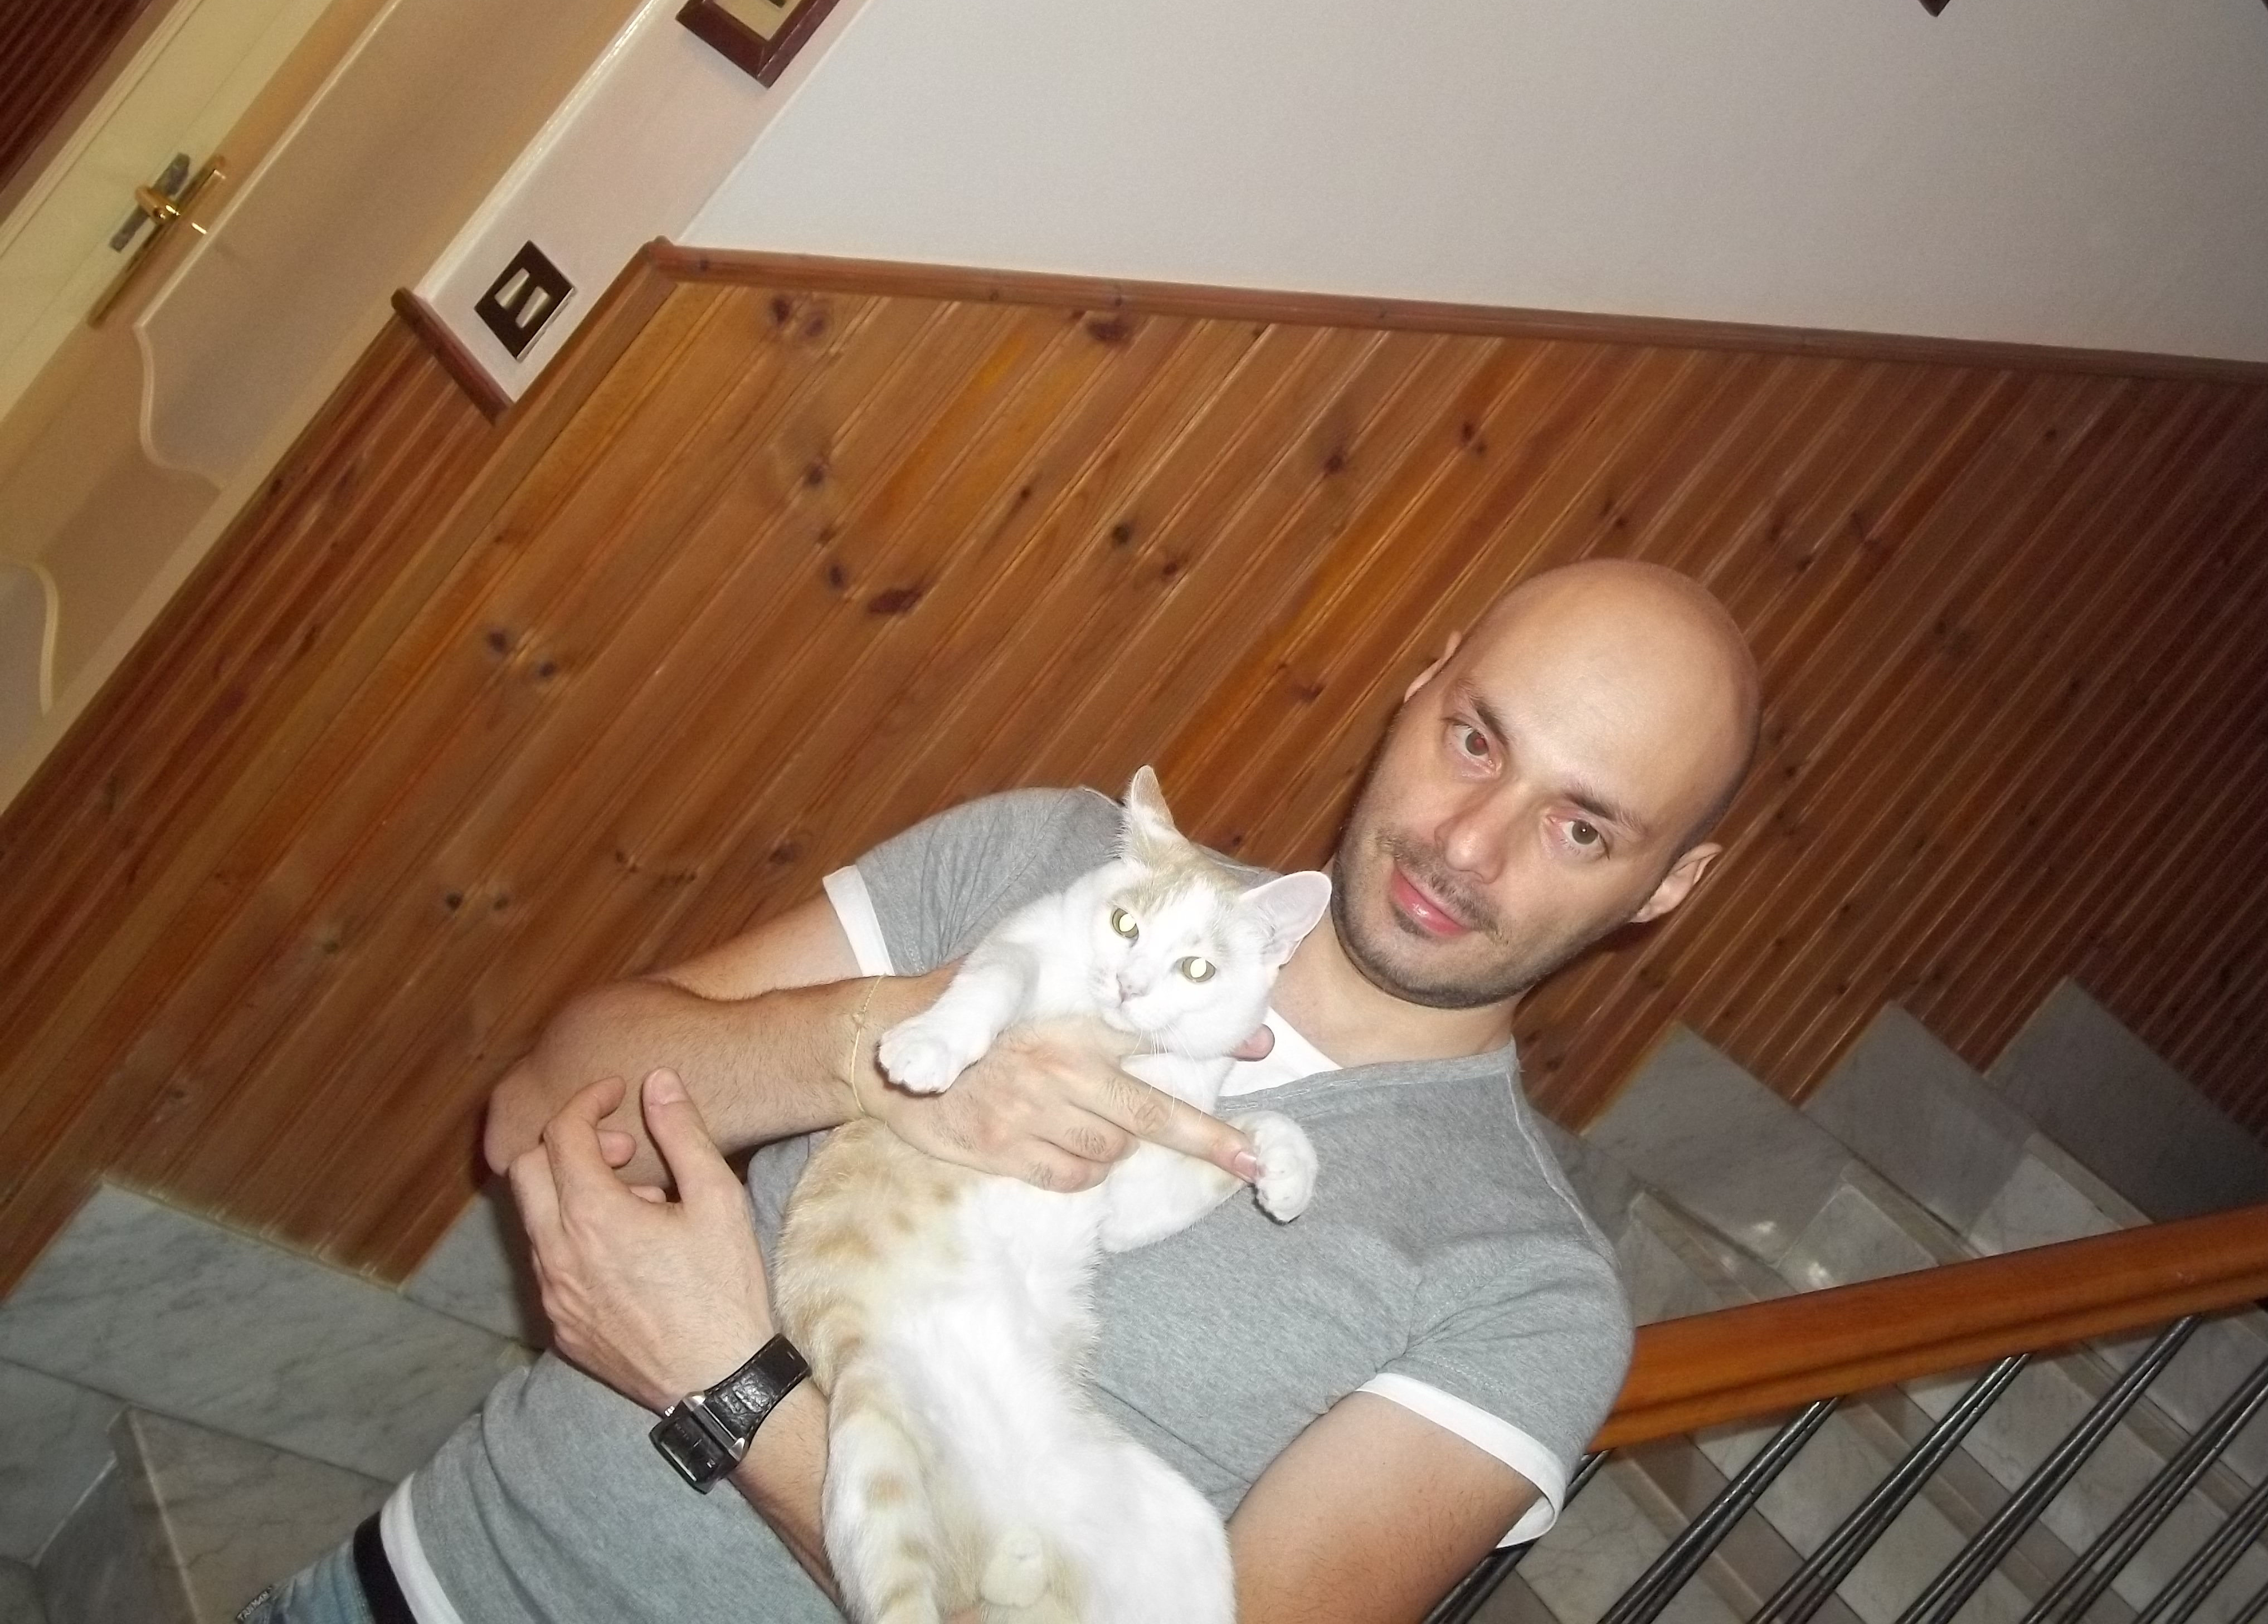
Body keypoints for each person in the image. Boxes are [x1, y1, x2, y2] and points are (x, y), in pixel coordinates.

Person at [249, 559, 1761, 1624]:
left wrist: (729, 1390)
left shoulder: (1530, 1295)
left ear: (1670, 888)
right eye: (1476, 739)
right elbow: (542, 1106)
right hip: (404, 1589)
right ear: (1423, 684)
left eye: (1583, 828)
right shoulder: (1050, 860)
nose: (1469, 844)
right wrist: (887, 1048)